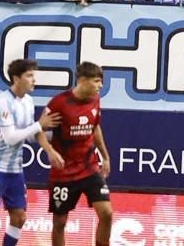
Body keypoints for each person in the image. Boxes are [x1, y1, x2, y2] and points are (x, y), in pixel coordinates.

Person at [0, 58, 64, 246]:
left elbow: (29, 135)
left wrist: (57, 137)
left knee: (19, 217)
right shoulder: (2, 101)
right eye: (29, 76)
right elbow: (11, 137)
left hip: (15, 169)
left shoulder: (28, 101)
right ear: (16, 78)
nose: (34, 80)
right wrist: (39, 125)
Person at [45, 61, 113, 246]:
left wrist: (104, 156)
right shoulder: (59, 103)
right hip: (64, 173)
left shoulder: (95, 100)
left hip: (89, 167)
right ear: (83, 80)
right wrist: (50, 151)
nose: (100, 86)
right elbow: (40, 130)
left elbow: (95, 127)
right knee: (59, 222)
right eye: (97, 81)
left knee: (106, 213)